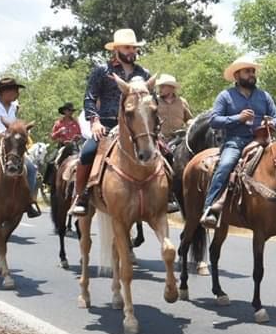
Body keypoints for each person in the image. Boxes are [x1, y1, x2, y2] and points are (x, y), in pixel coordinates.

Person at [70, 28, 157, 216]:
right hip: (107, 123)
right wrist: (94, 121)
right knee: (88, 152)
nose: (131, 51)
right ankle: (81, 196)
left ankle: (167, 196)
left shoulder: (144, 73)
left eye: (133, 48)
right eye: (127, 47)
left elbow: (152, 100)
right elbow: (90, 98)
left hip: (137, 125)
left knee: (165, 151)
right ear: (116, 49)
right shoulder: (102, 71)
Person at [199, 54, 276, 227]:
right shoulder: (225, 96)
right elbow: (214, 120)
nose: (251, 74)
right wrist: (238, 118)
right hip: (235, 141)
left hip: (262, 140)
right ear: (237, 76)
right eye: (247, 71)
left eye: (252, 71)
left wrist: (271, 122)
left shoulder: (264, 96)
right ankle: (210, 208)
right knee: (225, 165)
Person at [0, 77, 41, 218]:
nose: (17, 94)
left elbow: (14, 125)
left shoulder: (14, 106)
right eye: (15, 91)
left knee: (31, 169)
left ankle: (29, 201)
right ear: (5, 92)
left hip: (9, 147)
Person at [154, 73, 192, 142]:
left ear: (171, 87)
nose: (160, 89)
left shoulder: (182, 102)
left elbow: (188, 119)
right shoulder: (154, 102)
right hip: (160, 139)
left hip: (179, 139)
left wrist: (190, 124)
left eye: (162, 87)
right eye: (159, 87)